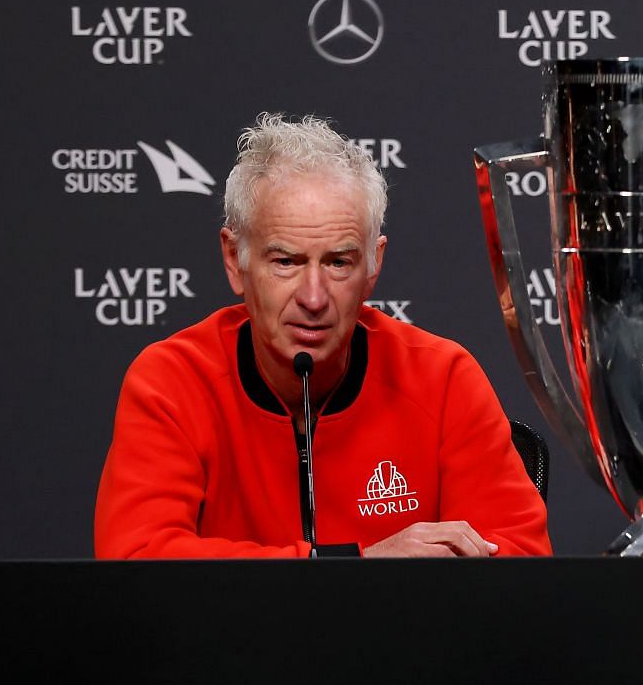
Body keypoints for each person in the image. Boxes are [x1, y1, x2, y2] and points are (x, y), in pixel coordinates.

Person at [95, 113, 551, 558]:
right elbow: (135, 559)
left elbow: (523, 562)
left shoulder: (443, 378)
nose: (313, 297)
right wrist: (357, 566)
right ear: (235, 260)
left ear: (374, 266)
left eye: (338, 262)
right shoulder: (172, 381)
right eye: (286, 262)